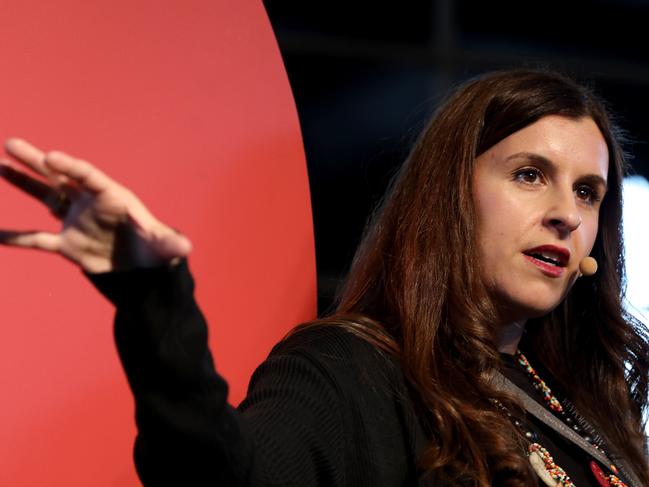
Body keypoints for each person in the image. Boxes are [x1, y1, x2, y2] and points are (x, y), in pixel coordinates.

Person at [0, 69, 647, 486]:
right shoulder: (352, 370)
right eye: (529, 174)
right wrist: (151, 293)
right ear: (449, 196)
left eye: (588, 192)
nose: (565, 213)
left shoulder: (586, 403)